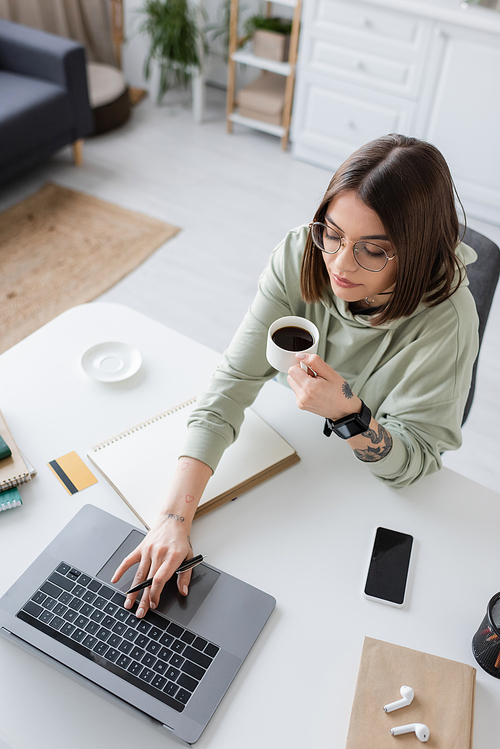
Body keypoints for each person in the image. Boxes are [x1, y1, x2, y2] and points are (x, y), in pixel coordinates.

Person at [112, 133, 479, 617]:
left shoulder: (448, 322)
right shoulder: (300, 253)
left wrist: (349, 415)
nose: (339, 265)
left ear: (414, 250)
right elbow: (232, 383)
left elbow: (413, 464)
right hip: (288, 449)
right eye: (332, 233)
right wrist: (173, 518)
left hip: (360, 498)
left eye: (372, 250)